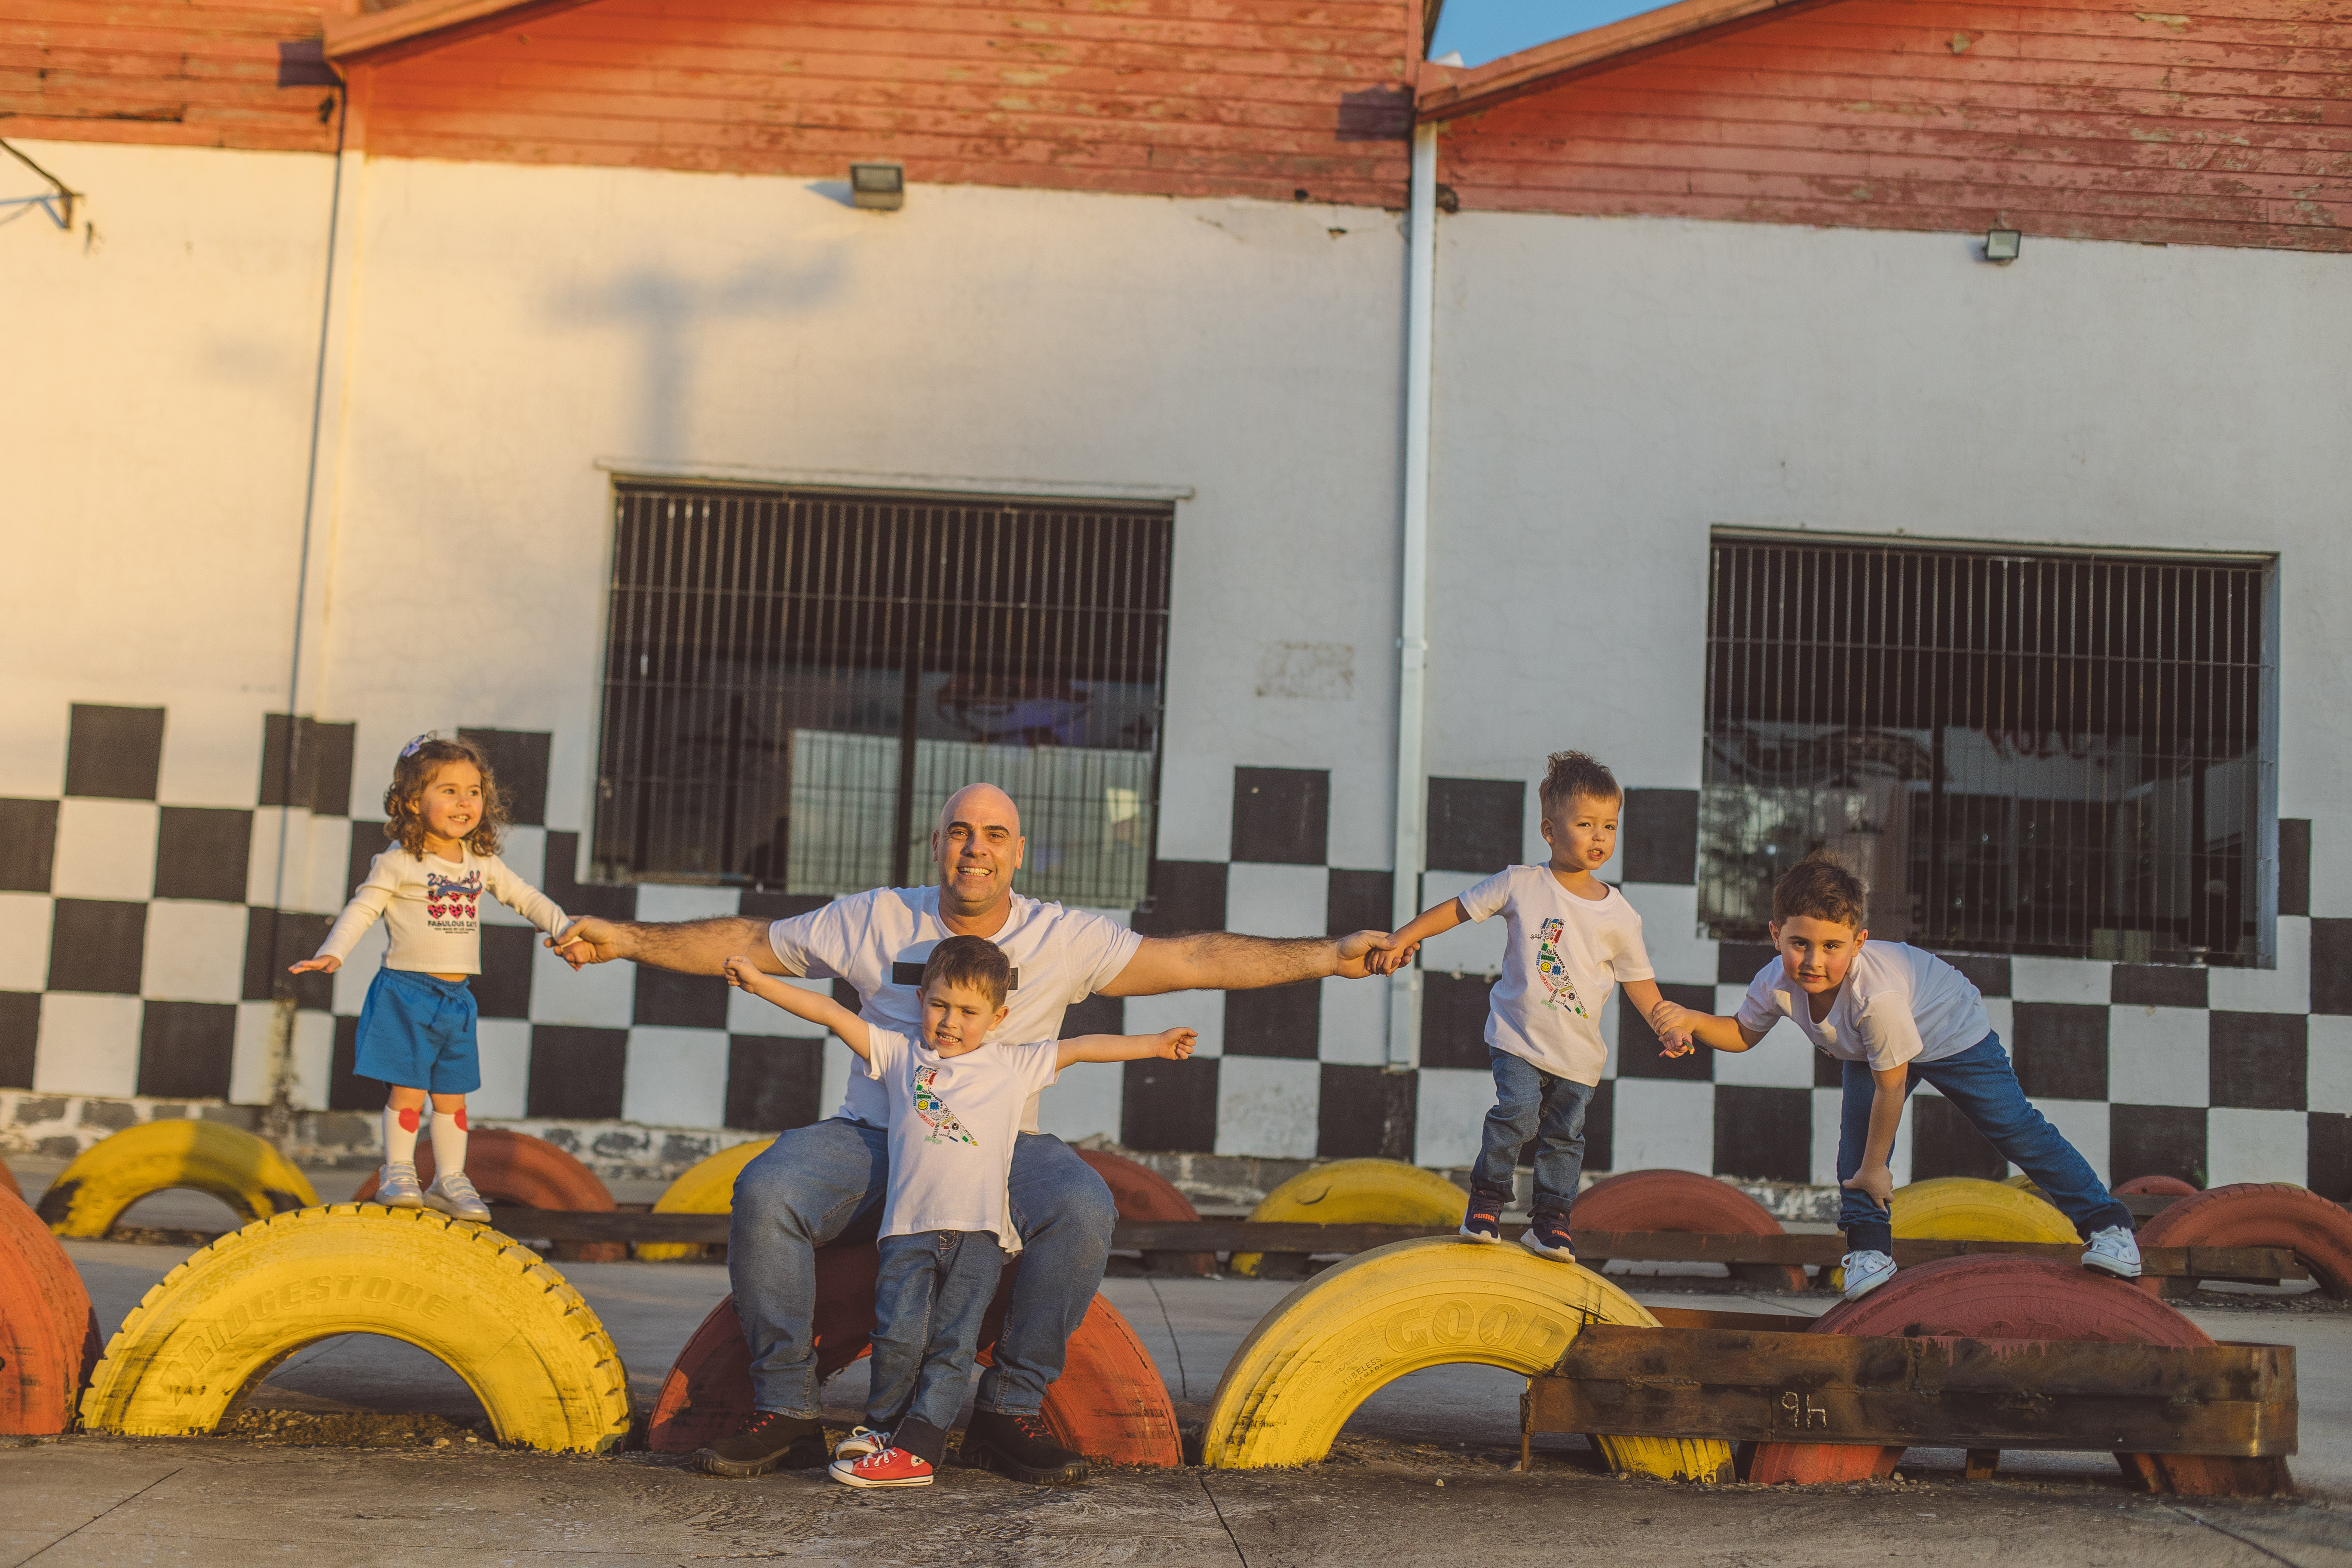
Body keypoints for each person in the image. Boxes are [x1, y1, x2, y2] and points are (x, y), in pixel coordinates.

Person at [548, 781, 1391, 1484]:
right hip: (874, 1139)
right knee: (769, 1189)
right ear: (939, 846)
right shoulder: (875, 919)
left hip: (1000, 1149)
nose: (975, 848)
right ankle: (786, 1409)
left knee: (1083, 1205)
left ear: (1017, 853)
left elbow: (1198, 958)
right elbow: (747, 941)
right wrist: (623, 939)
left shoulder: (1064, 937)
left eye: (994, 834)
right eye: (960, 832)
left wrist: (1329, 954)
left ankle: (1010, 1412)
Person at [721, 935, 1196, 1488]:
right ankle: (882, 1430)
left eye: (969, 1012)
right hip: (906, 1233)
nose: (950, 1021)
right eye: (939, 1005)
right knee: (895, 1336)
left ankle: (921, 1451)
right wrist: (761, 984)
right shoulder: (901, 1055)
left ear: (998, 1017)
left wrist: (1156, 1043)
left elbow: (1085, 1045)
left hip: (977, 1237)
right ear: (921, 998)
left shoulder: (1015, 1065)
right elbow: (829, 1011)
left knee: (952, 1342)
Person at [1656, 850, 2141, 1300]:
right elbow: (1742, 1033)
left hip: (1951, 1028)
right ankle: (1870, 1251)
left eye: (1832, 946)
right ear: (1775, 935)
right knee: (1855, 1149)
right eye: (1799, 943)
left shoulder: (1876, 997)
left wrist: (1877, 1168)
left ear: (1859, 942)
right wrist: (1693, 1021)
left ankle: (2109, 1227)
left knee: (2015, 1128)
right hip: (1874, 1049)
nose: (1813, 961)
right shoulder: (1774, 982)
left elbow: (1892, 1085)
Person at [1373, 751, 1690, 1264]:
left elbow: (1641, 984)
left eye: (1609, 826)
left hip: (1579, 1056)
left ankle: (1550, 1223)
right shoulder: (1521, 883)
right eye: (1585, 824)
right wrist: (1401, 938)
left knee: (1565, 1139)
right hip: (1518, 1037)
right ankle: (1487, 1203)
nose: (1599, 838)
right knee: (1517, 1114)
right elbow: (1455, 910)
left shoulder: (1621, 915)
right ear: (1549, 829)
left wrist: (1666, 1027)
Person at [291, 734, 571, 1223]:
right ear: (411, 802)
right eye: (448, 791)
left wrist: (568, 931)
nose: (465, 802)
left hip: (457, 998)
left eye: (474, 791)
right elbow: (364, 907)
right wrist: (332, 953)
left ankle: (449, 1178)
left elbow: (526, 897)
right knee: (408, 1092)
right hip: (407, 992)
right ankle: (398, 1171)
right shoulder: (400, 861)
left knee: (452, 1097)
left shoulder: (481, 863)